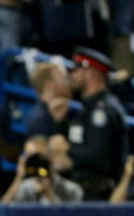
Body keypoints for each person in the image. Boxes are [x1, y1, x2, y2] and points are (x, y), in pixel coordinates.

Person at [51, 47, 127, 200]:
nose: (71, 75)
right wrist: (59, 123)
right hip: (76, 191)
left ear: (91, 73)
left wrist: (69, 152)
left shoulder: (105, 110)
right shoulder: (83, 109)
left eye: (76, 70)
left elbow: (100, 157)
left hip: (97, 195)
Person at [0, 136, 84, 203]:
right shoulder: (25, 188)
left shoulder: (71, 189)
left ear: (51, 157)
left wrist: (49, 193)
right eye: (31, 158)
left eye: (38, 158)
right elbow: (1, 214)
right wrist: (19, 177)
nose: (36, 163)